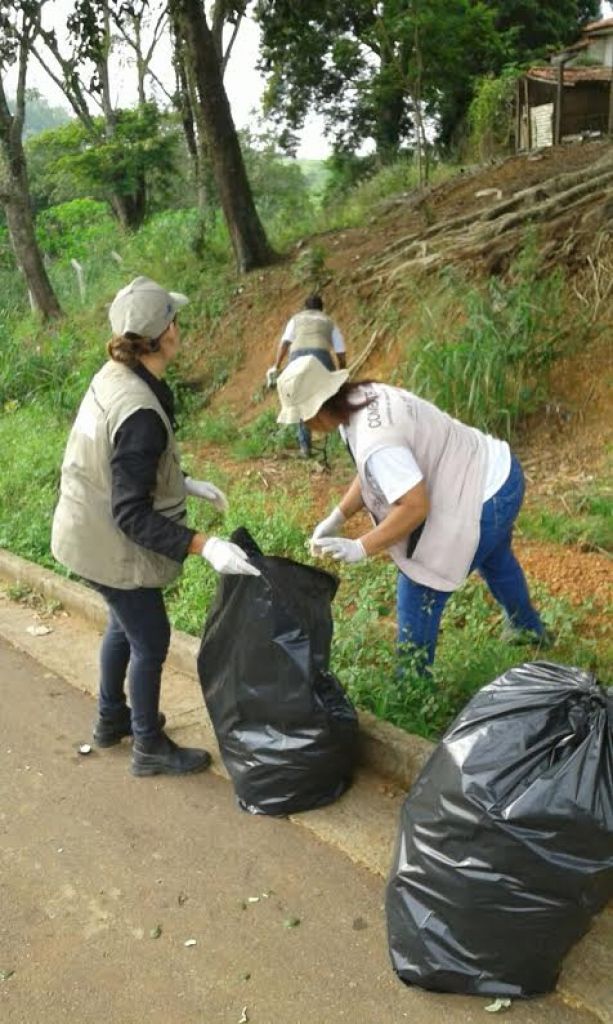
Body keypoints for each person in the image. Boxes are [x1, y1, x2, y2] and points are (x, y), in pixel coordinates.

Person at [51, 276, 260, 778]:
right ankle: (148, 746)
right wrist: (202, 545)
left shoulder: (116, 375)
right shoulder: (140, 410)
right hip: (106, 537)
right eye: (175, 320)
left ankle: (110, 720)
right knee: (150, 639)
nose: (179, 327)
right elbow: (130, 511)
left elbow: (125, 462)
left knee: (123, 624)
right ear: (162, 334)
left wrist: (183, 483)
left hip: (82, 527)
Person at [275, 355, 547, 673]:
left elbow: (415, 507)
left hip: (484, 495)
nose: (304, 426)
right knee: (494, 556)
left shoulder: (376, 440)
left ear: (319, 410)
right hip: (499, 469)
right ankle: (528, 630)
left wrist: (359, 546)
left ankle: (411, 688)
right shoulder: (364, 398)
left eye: (303, 419)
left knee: (419, 584)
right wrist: (338, 517)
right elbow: (372, 473)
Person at [266, 293, 346, 457]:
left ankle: (305, 448)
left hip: (297, 357)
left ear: (305, 308)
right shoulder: (328, 321)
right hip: (321, 356)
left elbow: (285, 343)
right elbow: (340, 351)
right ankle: (342, 440)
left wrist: (277, 365)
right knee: (333, 396)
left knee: (300, 400)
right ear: (321, 308)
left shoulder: (296, 319)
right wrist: (340, 373)